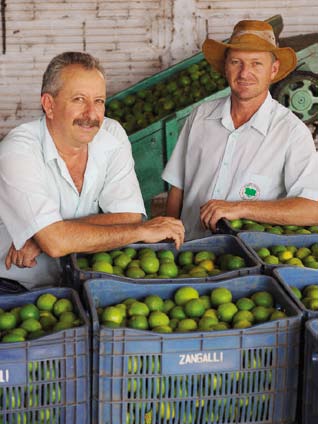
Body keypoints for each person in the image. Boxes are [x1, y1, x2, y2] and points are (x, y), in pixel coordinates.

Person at [0, 51, 184, 290]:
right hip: (15, 286)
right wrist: (139, 231)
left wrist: (49, 235)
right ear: (49, 104)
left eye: (99, 101)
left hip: (81, 281)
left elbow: (129, 215)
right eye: (78, 99)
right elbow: (56, 244)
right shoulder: (17, 151)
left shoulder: (111, 135)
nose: (91, 114)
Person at [162, 19, 318, 240]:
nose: (245, 73)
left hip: (246, 261)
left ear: (273, 70)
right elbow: (177, 187)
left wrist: (240, 208)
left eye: (256, 63)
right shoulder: (200, 116)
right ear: (226, 66)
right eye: (236, 62)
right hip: (189, 254)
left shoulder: (291, 133)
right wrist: (169, 240)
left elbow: (313, 208)